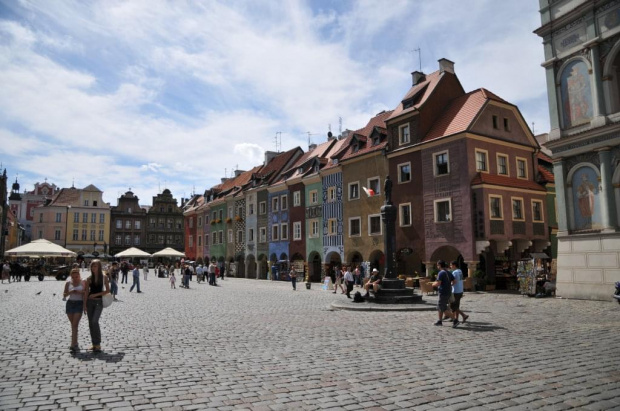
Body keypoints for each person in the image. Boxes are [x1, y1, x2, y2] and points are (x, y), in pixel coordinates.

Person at [84, 259, 110, 352]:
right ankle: (94, 344)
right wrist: (84, 305)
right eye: (92, 266)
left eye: (95, 266)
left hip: (99, 302)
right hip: (90, 303)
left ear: (99, 267)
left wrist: (95, 294)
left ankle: (98, 343)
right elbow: (86, 292)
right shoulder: (89, 278)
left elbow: (107, 291)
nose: (93, 268)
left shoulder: (104, 277)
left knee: (95, 321)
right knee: (91, 323)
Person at [63, 268, 84, 352]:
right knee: (73, 325)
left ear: (79, 275)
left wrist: (80, 292)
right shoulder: (68, 283)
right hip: (70, 304)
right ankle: (75, 342)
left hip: (79, 304)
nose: (75, 278)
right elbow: (64, 295)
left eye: (77, 276)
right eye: (73, 277)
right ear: (71, 277)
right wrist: (70, 292)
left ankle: (73, 344)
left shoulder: (83, 283)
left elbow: (86, 293)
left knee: (75, 324)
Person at [431, 260, 457, 327]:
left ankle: (455, 320)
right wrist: (449, 285)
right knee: (440, 307)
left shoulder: (441, 273)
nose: (437, 266)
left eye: (437, 265)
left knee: (443, 308)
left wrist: (432, 284)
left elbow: (438, 283)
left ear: (440, 265)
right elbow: (454, 281)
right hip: (448, 291)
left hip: (443, 292)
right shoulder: (448, 272)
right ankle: (440, 321)